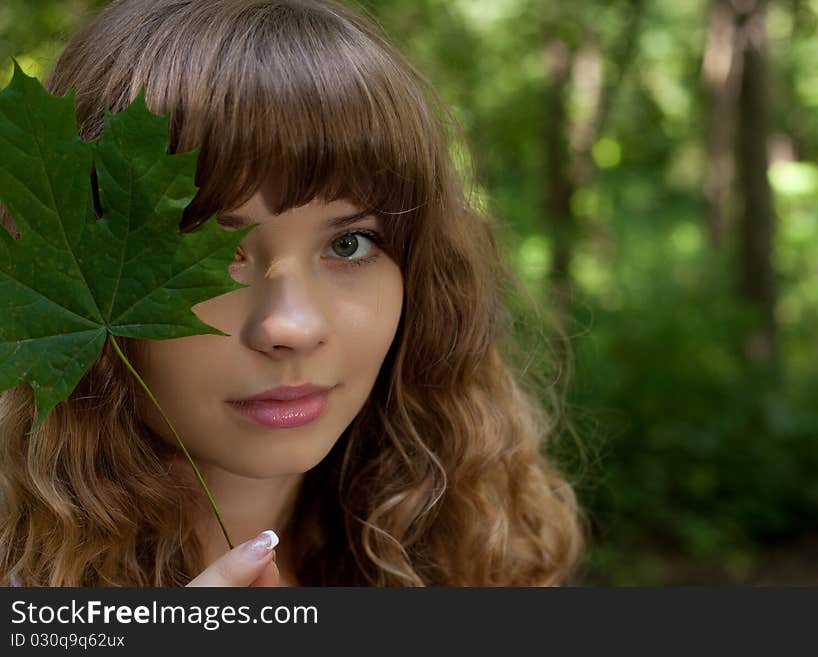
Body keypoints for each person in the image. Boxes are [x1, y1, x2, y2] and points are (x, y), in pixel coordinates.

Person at [0, 0, 586, 587]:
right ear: (70, 270)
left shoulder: (478, 559)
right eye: (208, 251)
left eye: (351, 244)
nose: (292, 326)